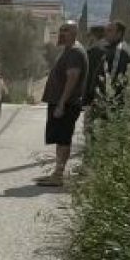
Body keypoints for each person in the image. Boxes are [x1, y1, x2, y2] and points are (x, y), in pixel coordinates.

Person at [37, 21, 88, 186]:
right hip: (62, 102)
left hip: (67, 104)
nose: (61, 33)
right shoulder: (68, 50)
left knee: (63, 139)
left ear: (74, 33)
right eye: (61, 30)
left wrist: (61, 103)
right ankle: (57, 173)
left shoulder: (74, 52)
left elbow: (72, 78)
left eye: (65, 30)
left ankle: (58, 175)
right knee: (60, 139)